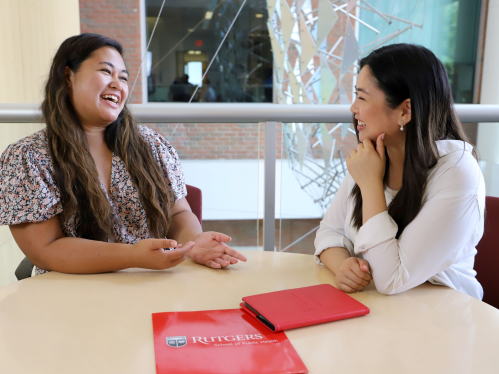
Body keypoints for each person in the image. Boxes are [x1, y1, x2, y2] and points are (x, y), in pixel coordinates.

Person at [0, 33, 246, 275]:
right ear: (67, 76)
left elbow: (178, 212)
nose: (117, 84)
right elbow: (45, 249)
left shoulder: (151, 144)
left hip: (152, 284)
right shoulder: (27, 157)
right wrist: (132, 257)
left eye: (124, 77)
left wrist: (193, 242)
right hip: (71, 295)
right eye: (106, 71)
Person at [314, 44, 484, 299]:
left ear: (405, 110)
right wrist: (344, 266)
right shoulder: (372, 156)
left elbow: (391, 278)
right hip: (383, 313)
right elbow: (330, 232)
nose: (353, 108)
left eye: (362, 97)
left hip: (445, 319)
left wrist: (371, 185)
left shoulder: (457, 172)